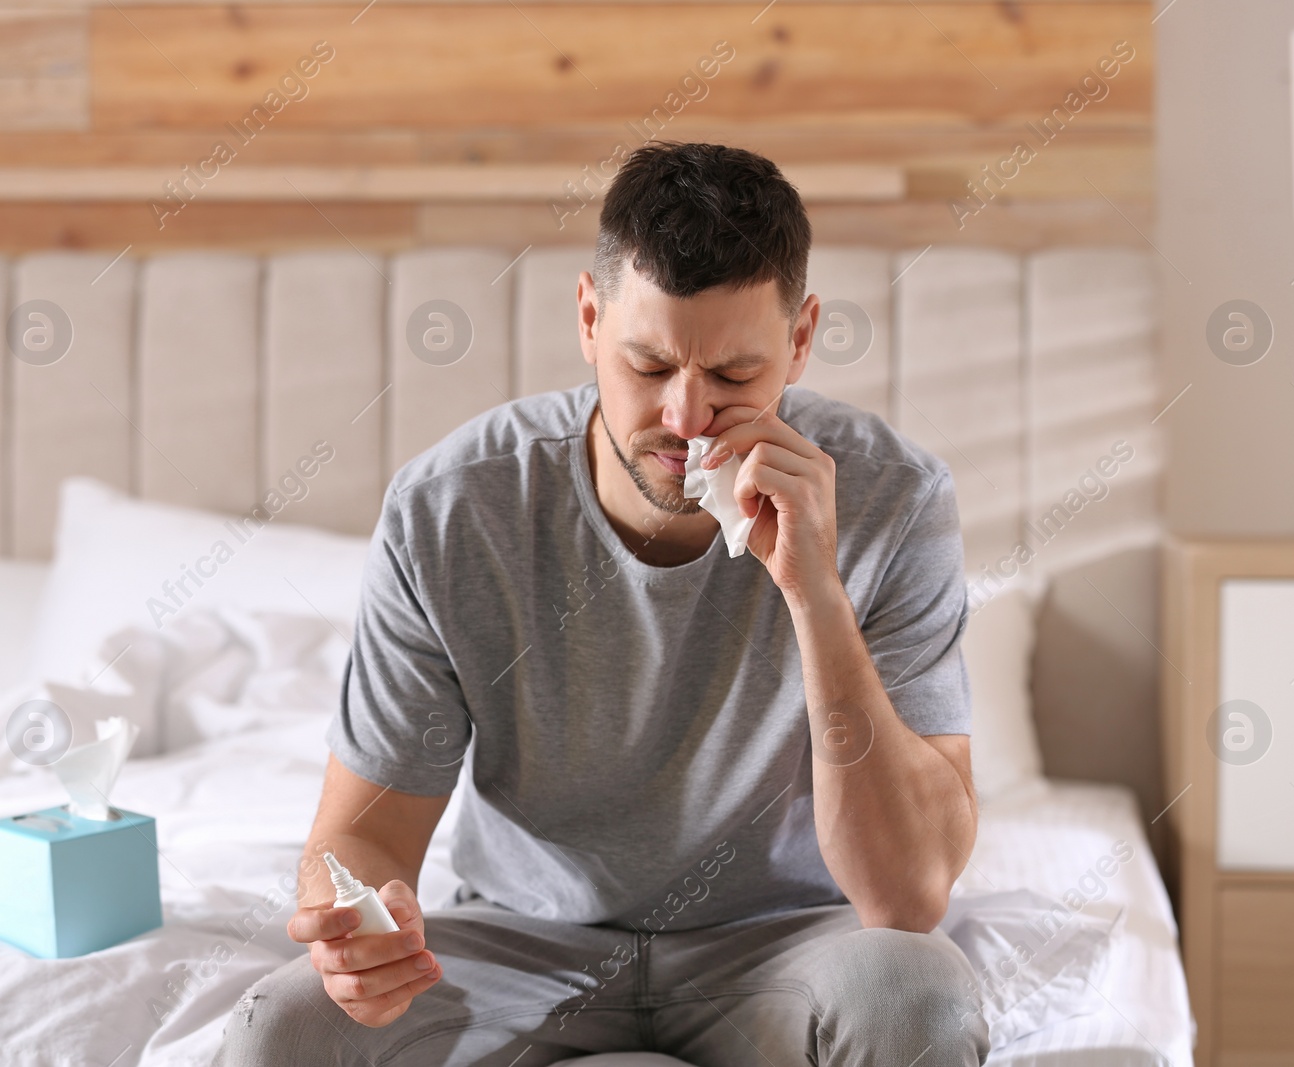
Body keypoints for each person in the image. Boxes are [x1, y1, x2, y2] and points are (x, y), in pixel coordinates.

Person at [213, 141, 988, 1067]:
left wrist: (815, 590)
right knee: (287, 1026)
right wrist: (360, 931)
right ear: (588, 317)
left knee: (919, 997)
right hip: (522, 941)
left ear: (801, 339)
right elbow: (364, 831)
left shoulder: (896, 500)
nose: (688, 418)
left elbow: (909, 899)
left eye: (736, 376)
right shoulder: (452, 509)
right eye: (649, 365)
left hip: (785, 945)